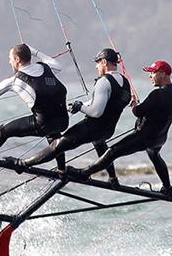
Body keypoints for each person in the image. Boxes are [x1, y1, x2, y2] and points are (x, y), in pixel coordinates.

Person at [67, 60, 172, 201]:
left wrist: (134, 104)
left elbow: (139, 112)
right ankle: (168, 189)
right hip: (159, 138)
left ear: (163, 73)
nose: (150, 76)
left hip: (143, 137)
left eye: (153, 72)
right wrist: (158, 116)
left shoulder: (157, 94)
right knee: (155, 155)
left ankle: (84, 173)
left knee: (112, 151)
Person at [13, 48, 131, 180]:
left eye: (97, 63)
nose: (96, 66)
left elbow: (96, 112)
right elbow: (106, 103)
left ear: (104, 62)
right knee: (99, 143)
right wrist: (80, 105)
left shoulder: (104, 81)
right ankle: (113, 178)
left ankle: (22, 164)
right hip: (108, 130)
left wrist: (80, 107)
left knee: (58, 145)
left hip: (91, 128)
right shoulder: (125, 83)